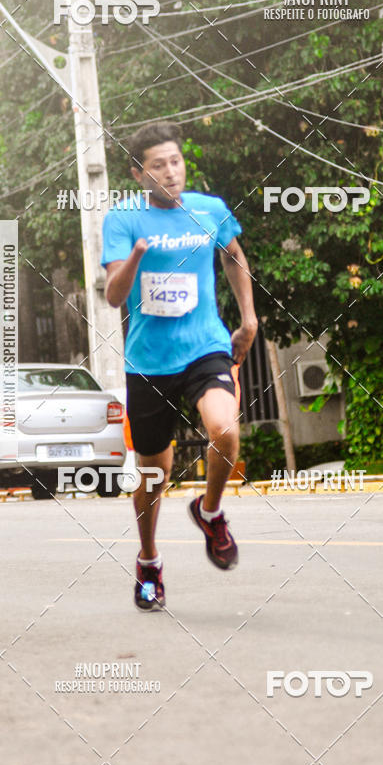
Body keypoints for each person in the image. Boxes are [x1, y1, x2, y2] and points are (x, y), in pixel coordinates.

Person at [101, 121, 258, 611]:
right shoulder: (123, 219)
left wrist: (248, 319)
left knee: (224, 431)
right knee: (153, 475)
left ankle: (210, 513)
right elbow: (113, 294)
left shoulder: (208, 210)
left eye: (176, 161)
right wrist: (136, 259)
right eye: (158, 165)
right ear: (138, 173)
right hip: (149, 362)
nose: (171, 172)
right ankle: (149, 561)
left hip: (205, 346)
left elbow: (233, 256)